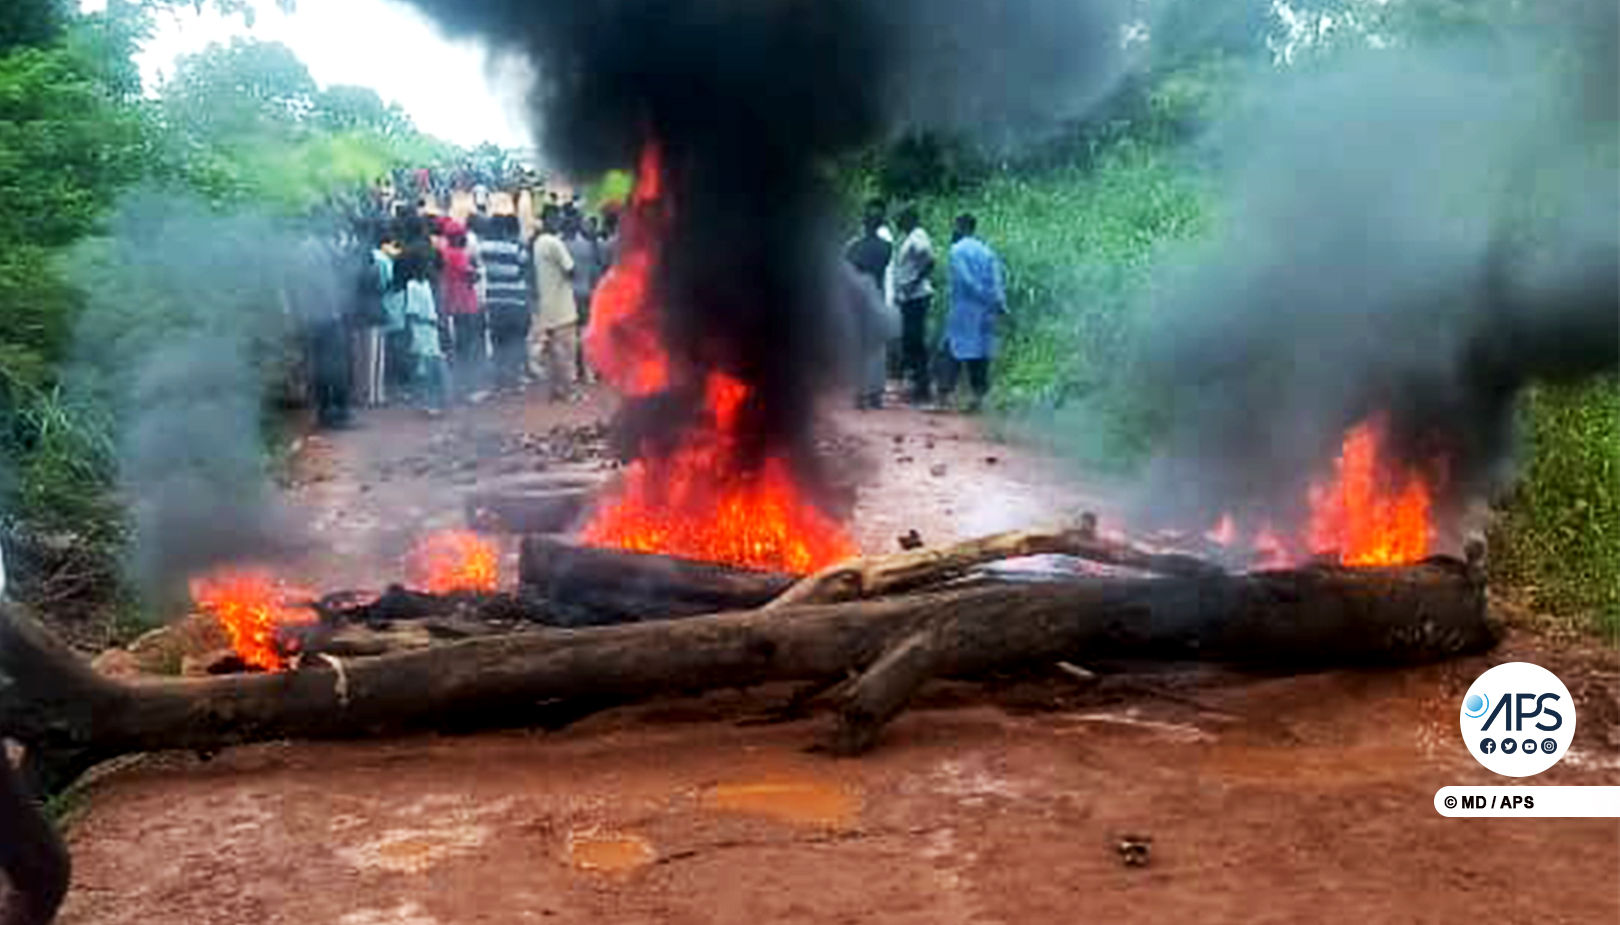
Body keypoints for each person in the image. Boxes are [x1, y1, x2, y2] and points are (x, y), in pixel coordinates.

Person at [940, 213, 1006, 412]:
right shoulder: (986, 251)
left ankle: (944, 395)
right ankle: (978, 398)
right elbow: (997, 280)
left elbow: (965, 280)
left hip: (964, 309)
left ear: (961, 227)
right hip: (985, 311)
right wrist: (999, 304)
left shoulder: (956, 250)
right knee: (979, 355)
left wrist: (979, 295)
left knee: (952, 350)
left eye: (956, 225)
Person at [845, 199, 894, 409]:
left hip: (858, 300)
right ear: (880, 224)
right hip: (877, 298)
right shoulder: (887, 247)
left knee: (858, 348)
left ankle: (859, 393)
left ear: (864, 224)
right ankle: (875, 395)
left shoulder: (853, 247)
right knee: (876, 349)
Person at [530, 206, 579, 401]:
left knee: (553, 353)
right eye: (557, 218)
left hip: (547, 306)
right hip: (563, 307)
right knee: (566, 353)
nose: (560, 221)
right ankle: (568, 392)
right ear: (549, 219)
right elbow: (571, 270)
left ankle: (556, 390)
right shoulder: (554, 242)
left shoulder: (538, 242)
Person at [478, 214, 532, 393]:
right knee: (515, 340)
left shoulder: (484, 248)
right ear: (506, 230)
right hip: (515, 300)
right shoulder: (516, 248)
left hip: (494, 300)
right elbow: (524, 270)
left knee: (498, 340)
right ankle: (515, 381)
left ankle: (499, 381)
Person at [891, 204, 936, 405]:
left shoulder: (918, 235)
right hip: (910, 296)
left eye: (901, 218)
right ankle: (918, 386)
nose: (897, 222)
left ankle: (922, 389)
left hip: (917, 296)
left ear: (910, 219)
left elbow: (930, 261)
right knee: (911, 341)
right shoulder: (912, 236)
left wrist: (913, 283)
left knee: (915, 341)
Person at [398, 246, 450, 414]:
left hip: (430, 334)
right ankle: (427, 404)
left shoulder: (426, 284)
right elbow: (412, 315)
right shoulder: (412, 286)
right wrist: (432, 322)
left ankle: (435, 402)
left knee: (433, 370)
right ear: (419, 267)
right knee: (426, 371)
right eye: (426, 264)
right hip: (421, 334)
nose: (430, 267)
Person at [436, 222, 485, 397]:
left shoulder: (444, 253)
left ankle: (456, 387)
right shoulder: (458, 255)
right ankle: (467, 388)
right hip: (465, 305)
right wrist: (477, 270)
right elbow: (472, 276)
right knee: (467, 347)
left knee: (457, 347)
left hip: (451, 303)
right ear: (455, 237)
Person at [562, 212, 601, 385]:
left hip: (568, 294)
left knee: (569, 335)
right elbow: (594, 272)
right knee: (585, 332)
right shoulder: (587, 246)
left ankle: (573, 374)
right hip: (586, 292)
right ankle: (589, 373)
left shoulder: (561, 246)